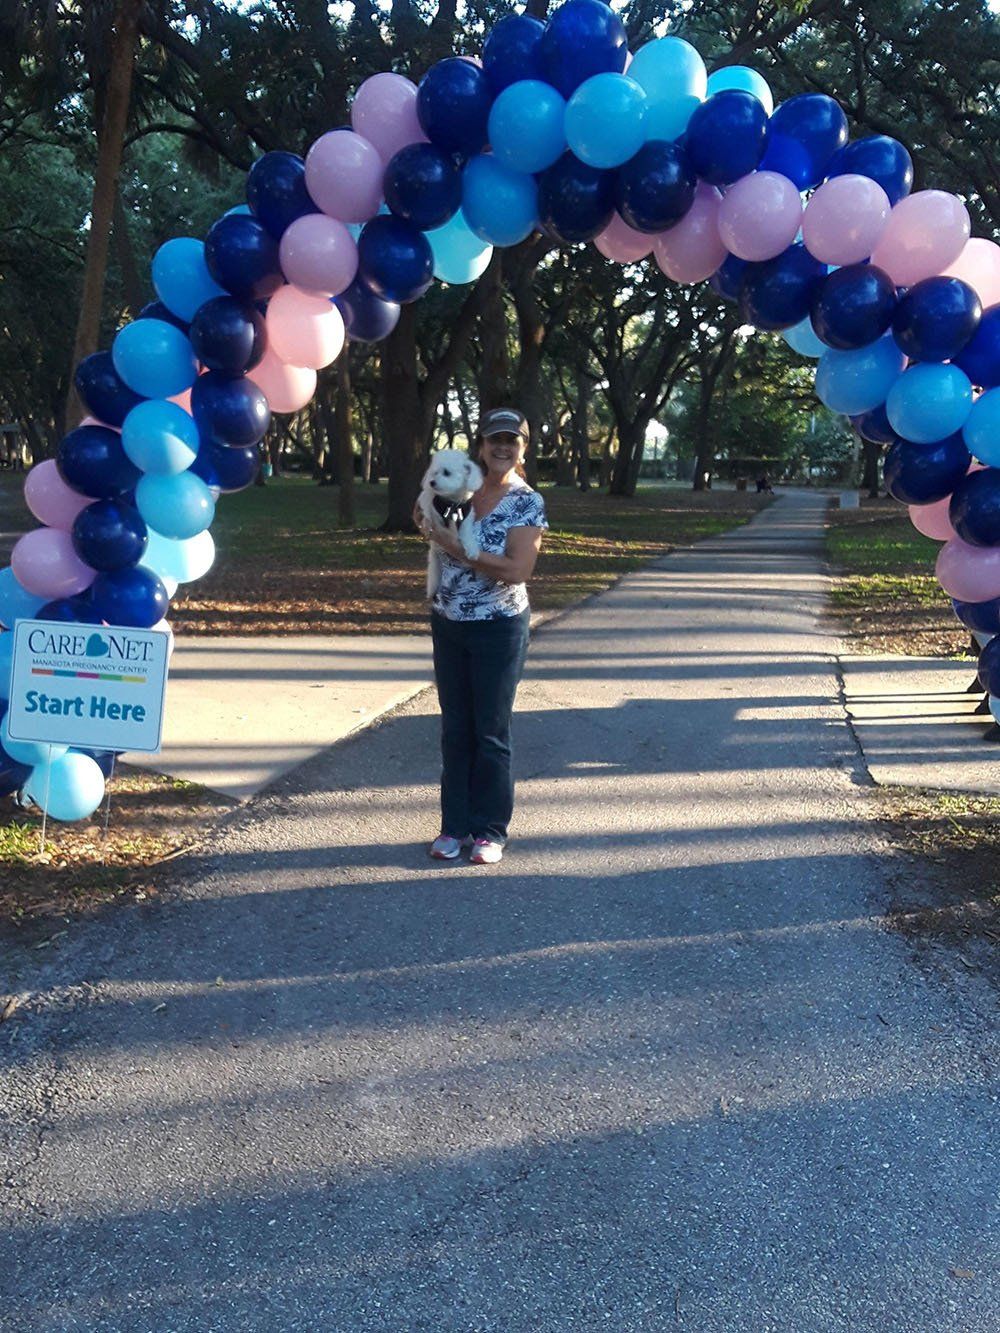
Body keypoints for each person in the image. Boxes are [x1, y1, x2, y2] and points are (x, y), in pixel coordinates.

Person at [414, 407, 547, 865]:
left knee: (490, 730)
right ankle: (454, 827)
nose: (503, 447)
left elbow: (517, 569)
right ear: (482, 445)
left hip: (499, 625)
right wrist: (425, 515)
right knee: (455, 728)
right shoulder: (462, 484)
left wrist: (455, 547)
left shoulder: (527, 501)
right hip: (449, 621)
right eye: (495, 439)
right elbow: (427, 515)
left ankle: (490, 831)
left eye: (512, 440)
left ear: (523, 448)